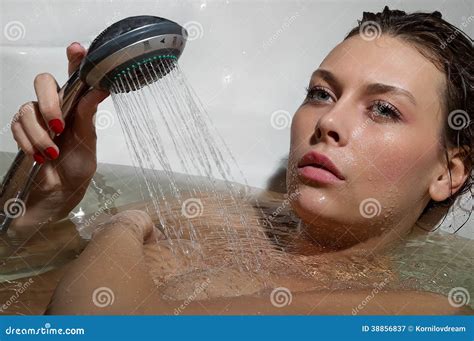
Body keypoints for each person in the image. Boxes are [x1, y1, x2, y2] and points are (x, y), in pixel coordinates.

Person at [8, 6, 473, 314]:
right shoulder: (207, 214)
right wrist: (43, 202)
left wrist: (124, 224)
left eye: (384, 109)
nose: (329, 119)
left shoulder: (415, 311)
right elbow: (16, 269)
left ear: (447, 173)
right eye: (320, 92)